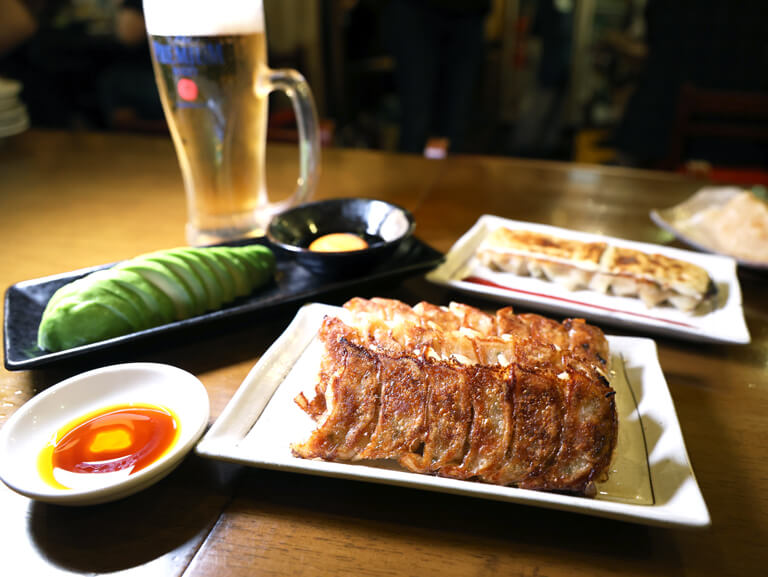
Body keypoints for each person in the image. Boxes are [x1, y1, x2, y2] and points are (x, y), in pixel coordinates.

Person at [382, 0, 491, 155]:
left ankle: (450, 178)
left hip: (470, 14)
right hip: (414, 11)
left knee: (456, 126)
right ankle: (410, 178)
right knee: (415, 124)